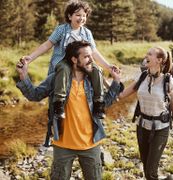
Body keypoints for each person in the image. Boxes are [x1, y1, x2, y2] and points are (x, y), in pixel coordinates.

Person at [16, 41, 123, 180]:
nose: (91, 60)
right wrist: (24, 75)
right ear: (74, 59)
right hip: (63, 145)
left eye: (91, 56)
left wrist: (116, 81)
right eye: (86, 57)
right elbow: (34, 95)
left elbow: (104, 104)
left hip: (91, 144)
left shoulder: (93, 80)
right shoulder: (57, 79)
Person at [20, 0, 114, 121]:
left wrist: (108, 66)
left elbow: (94, 52)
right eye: (78, 15)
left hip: (82, 65)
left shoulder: (87, 33)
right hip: (64, 62)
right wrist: (31, 57)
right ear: (70, 16)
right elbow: (47, 45)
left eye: (84, 15)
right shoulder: (62, 30)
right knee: (64, 68)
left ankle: (98, 104)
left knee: (96, 69)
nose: (81, 18)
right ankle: (59, 104)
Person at [119, 46, 173, 180]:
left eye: (150, 54)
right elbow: (121, 95)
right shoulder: (143, 76)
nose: (146, 55)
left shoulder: (168, 81)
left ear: (159, 60)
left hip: (160, 129)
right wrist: (107, 79)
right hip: (142, 127)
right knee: (146, 167)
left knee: (151, 171)